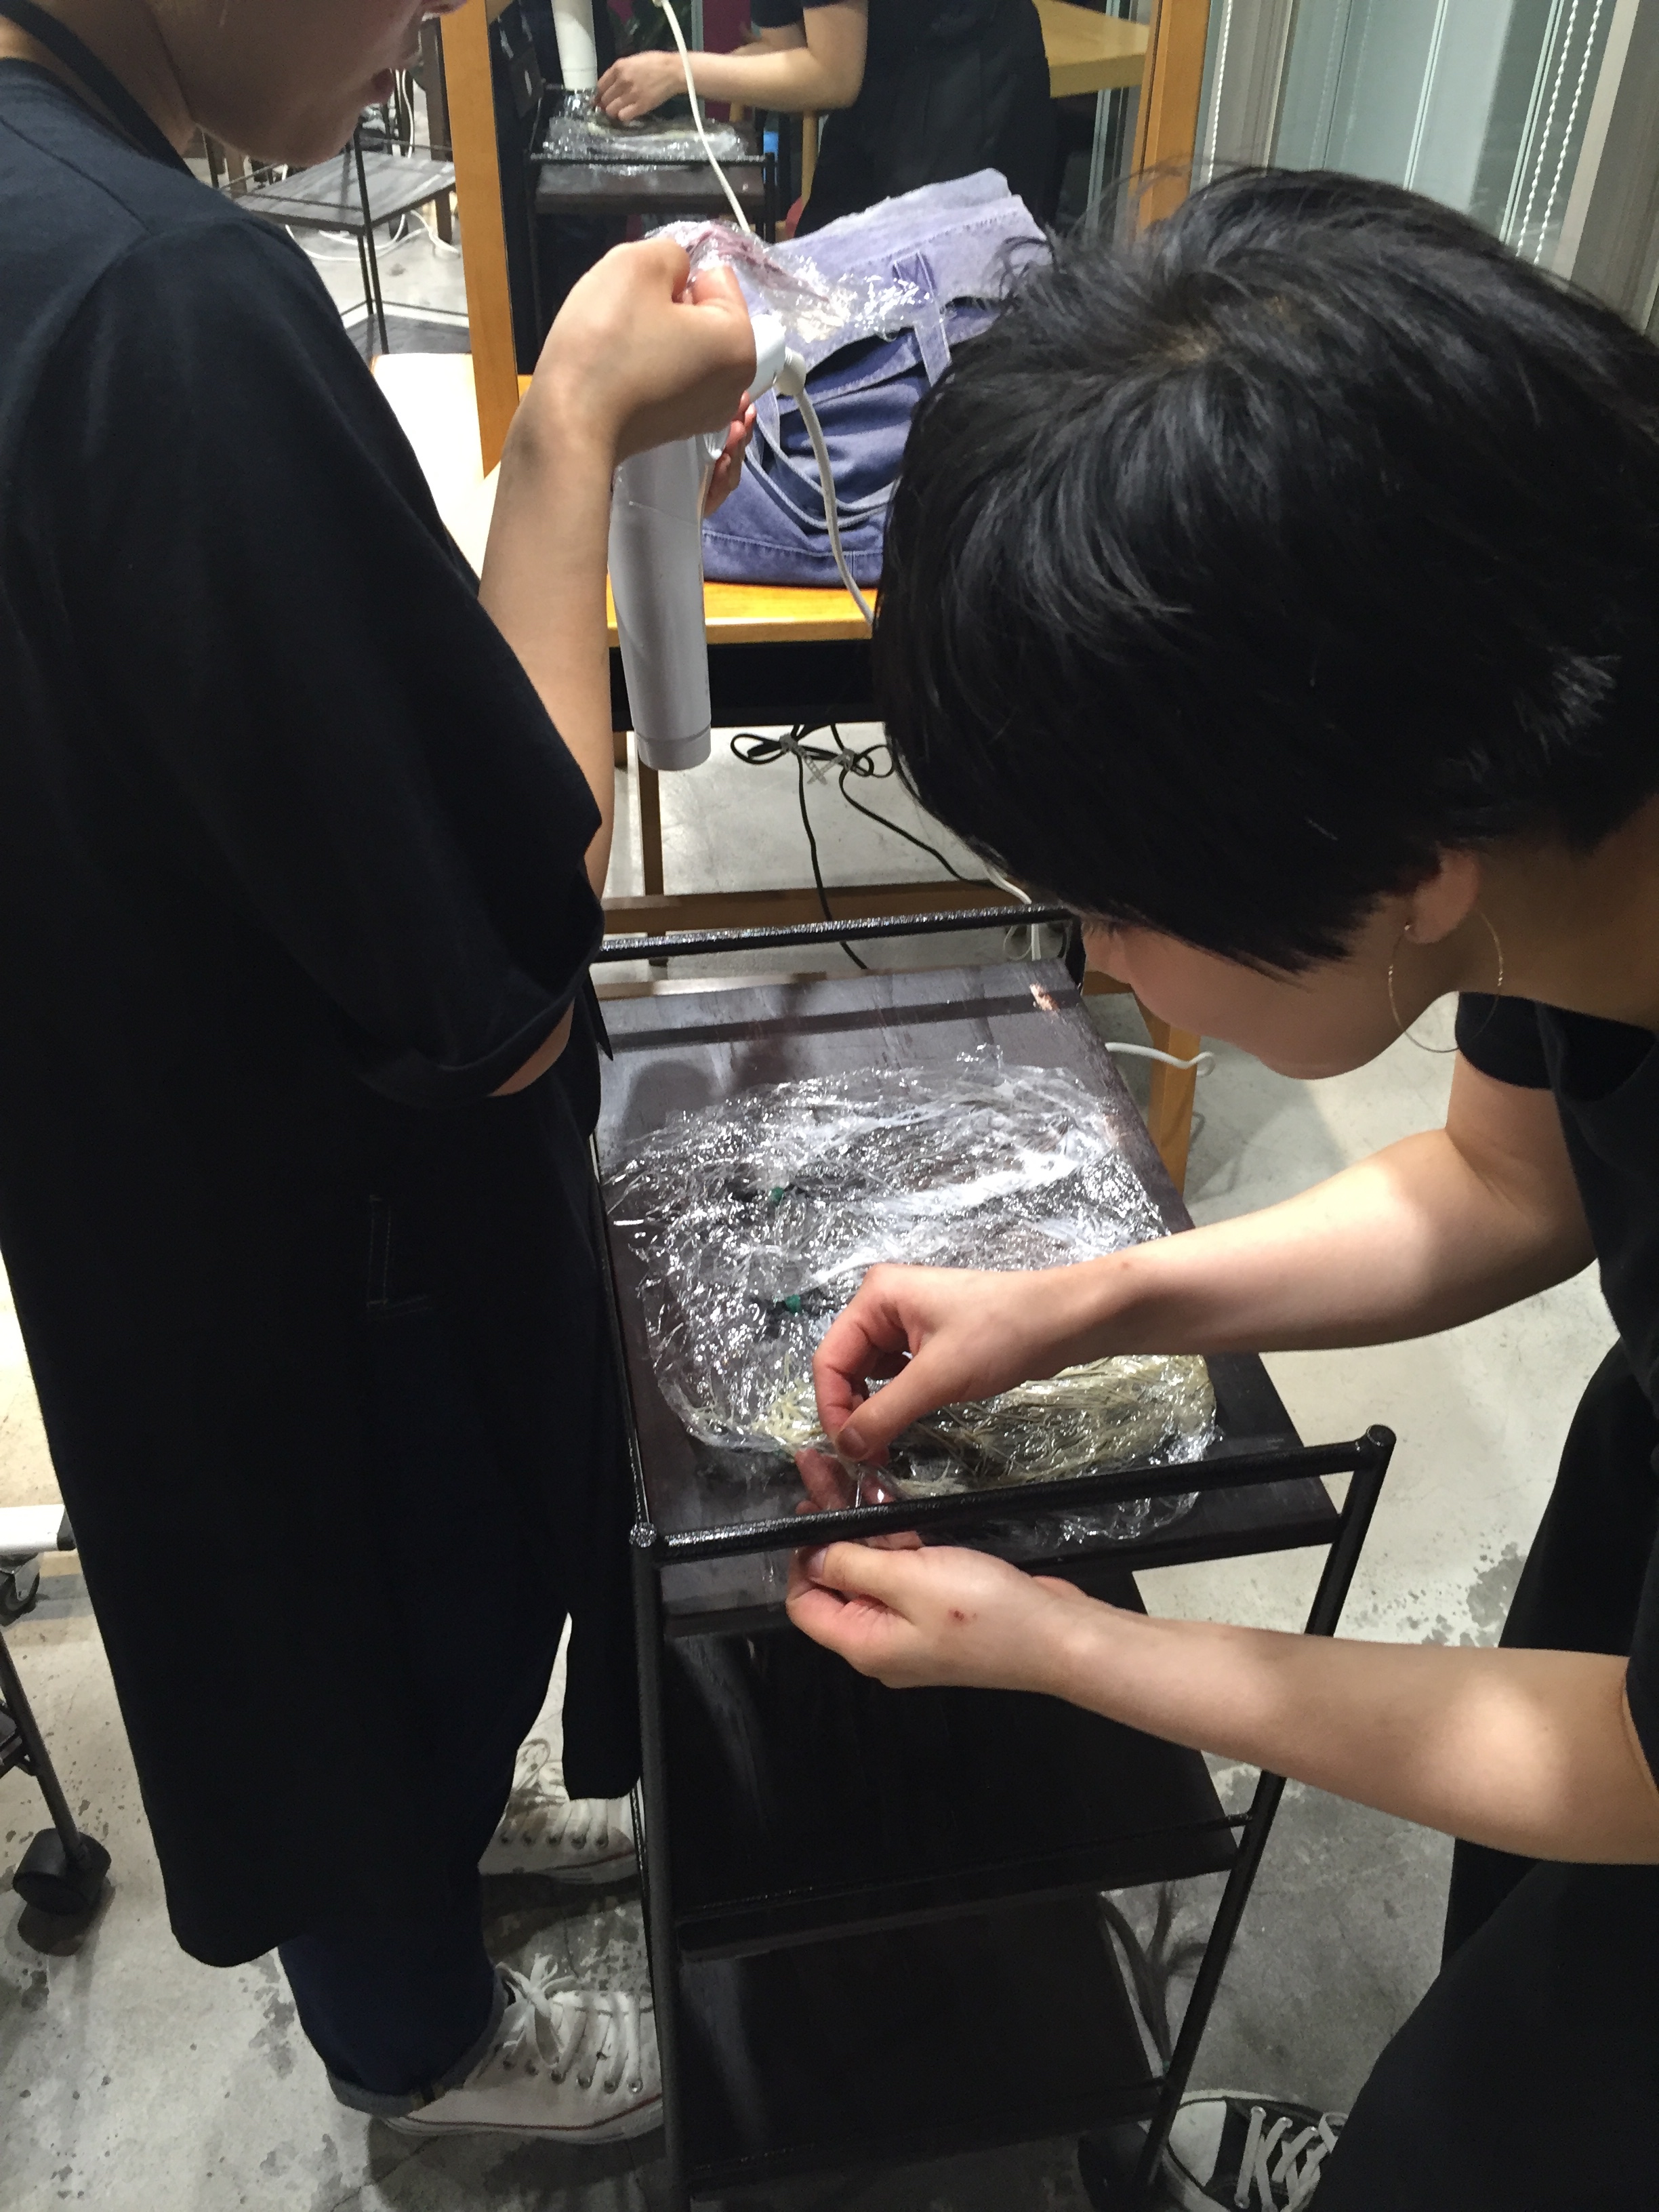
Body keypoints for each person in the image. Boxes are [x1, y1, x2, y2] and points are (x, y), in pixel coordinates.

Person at [785, 168, 1659, 2209]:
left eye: (1109, 904)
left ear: (1404, 866)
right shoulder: (1536, 791)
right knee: (1523, 1929)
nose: (1096, 960)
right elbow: (1502, 1178)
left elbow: (1635, 1758)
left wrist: (1069, 1651)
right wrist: (1088, 1297)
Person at [0, 0, 754, 2144]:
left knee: (307, 1641)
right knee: (363, 1645)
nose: (434, 17)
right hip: (307, 1215)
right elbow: (498, 947)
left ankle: (427, 1855)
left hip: (123, 1136)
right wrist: (571, 434)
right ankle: (419, 2047)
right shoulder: (167, 304)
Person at [594, 0, 1056, 231]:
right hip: (880, 80)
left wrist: (677, 72)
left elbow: (833, 76)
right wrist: (675, 73)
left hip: (967, 79)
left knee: (944, 315)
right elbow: (788, 50)